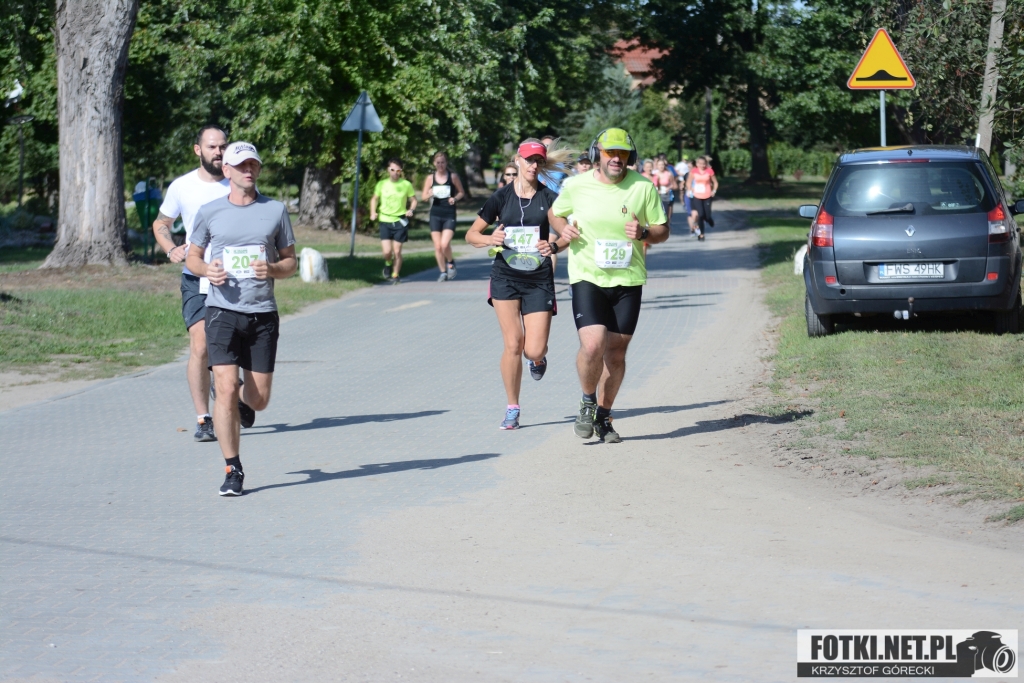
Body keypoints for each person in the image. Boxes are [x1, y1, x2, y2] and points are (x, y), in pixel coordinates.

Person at [186, 141, 297, 496]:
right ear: (227, 170)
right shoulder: (210, 211)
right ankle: (233, 468)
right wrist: (207, 270)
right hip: (221, 311)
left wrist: (273, 269)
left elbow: (290, 262)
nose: (248, 170)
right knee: (225, 388)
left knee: (259, 399)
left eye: (253, 164)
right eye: (241, 165)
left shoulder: (275, 210)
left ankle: (240, 399)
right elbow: (192, 257)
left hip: (262, 313)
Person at [549, 128, 669, 443]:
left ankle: (603, 416)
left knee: (616, 353)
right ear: (597, 154)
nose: (616, 158)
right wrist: (563, 230)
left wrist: (644, 233)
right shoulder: (577, 185)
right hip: (587, 276)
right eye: (610, 152)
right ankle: (588, 401)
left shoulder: (643, 187)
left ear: (630, 157)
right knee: (593, 345)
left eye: (622, 153)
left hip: (628, 280)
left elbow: (663, 230)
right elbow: (555, 212)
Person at [467, 139, 573, 429]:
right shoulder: (501, 197)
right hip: (506, 276)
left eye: (538, 161)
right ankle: (512, 407)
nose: (533, 165)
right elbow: (471, 234)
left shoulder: (549, 198)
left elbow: (565, 233)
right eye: (529, 160)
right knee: (513, 343)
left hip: (538, 278)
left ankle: (537, 360)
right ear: (517, 160)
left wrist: (555, 245)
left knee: (534, 349)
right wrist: (489, 239)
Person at [152, 125, 231, 443]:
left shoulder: (237, 182)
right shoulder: (182, 186)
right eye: (212, 146)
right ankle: (203, 418)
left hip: (232, 278)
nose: (218, 152)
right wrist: (170, 248)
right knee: (200, 343)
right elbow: (161, 223)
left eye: (223, 146)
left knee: (230, 345)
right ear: (198, 150)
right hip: (196, 277)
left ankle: (229, 390)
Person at [370, 158, 417, 283]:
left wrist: (411, 210)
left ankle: (395, 274)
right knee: (387, 252)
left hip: (400, 221)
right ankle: (388, 263)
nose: (395, 173)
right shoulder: (381, 184)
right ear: (388, 170)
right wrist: (373, 212)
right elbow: (374, 199)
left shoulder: (406, 184)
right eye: (392, 170)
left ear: (401, 171)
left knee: (397, 251)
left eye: (398, 170)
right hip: (385, 220)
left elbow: (414, 200)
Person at [421, 151, 466, 282]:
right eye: (438, 162)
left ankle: (450, 262)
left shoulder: (453, 177)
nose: (440, 165)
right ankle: (442, 272)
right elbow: (423, 197)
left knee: (445, 244)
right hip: (435, 214)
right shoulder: (430, 178)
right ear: (434, 163)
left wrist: (455, 199)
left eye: (443, 162)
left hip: (449, 213)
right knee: (437, 246)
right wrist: (429, 194)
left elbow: (461, 192)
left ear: (446, 163)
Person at [687, 155, 718, 241]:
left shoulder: (709, 171)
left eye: (703, 164)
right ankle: (701, 234)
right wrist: (690, 189)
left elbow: (715, 182)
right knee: (700, 215)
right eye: (700, 164)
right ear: (697, 164)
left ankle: (710, 220)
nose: (702, 165)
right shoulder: (694, 171)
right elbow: (688, 182)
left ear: (706, 164)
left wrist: (714, 191)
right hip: (697, 195)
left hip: (707, 195)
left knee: (707, 216)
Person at [652, 157, 676, 224]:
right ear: (657, 166)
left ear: (665, 165)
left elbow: (674, 185)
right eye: (659, 165)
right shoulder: (654, 174)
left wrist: (668, 188)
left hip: (666, 195)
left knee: (666, 213)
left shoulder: (669, 174)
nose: (661, 166)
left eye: (662, 164)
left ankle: (666, 226)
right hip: (656, 195)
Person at [675, 155, 692, 222]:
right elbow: (676, 170)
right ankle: (683, 203)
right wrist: (680, 173)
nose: (685, 160)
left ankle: (687, 202)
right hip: (681, 179)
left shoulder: (688, 164)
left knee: (686, 191)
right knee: (681, 192)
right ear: (682, 159)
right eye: (684, 159)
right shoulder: (679, 164)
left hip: (687, 178)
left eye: (686, 159)